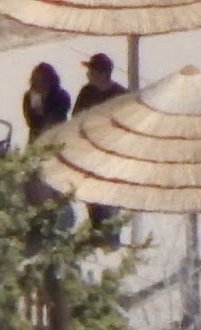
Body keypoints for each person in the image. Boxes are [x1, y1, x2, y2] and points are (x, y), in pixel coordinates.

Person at [72, 52, 128, 243]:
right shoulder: (86, 92)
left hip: (113, 157)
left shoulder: (120, 95)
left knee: (110, 200)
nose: (88, 74)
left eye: (91, 70)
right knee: (91, 198)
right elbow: (76, 119)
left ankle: (112, 239)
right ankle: (95, 235)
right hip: (89, 154)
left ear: (102, 73)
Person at [22, 62, 71, 139]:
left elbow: (59, 115)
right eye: (36, 80)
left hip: (57, 136)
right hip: (37, 138)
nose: (40, 84)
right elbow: (31, 122)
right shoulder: (29, 96)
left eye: (43, 80)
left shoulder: (61, 96)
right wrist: (37, 110)